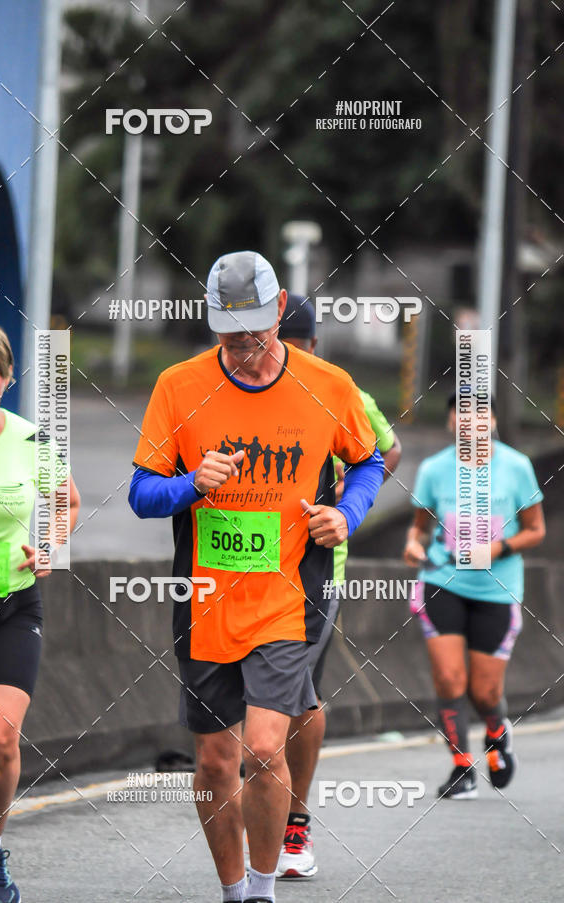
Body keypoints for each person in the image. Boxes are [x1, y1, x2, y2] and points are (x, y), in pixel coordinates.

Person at [129, 251, 385, 903]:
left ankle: (265, 890)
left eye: (254, 334)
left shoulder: (327, 384)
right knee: (216, 760)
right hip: (207, 600)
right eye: (228, 336)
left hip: (287, 596)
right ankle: (234, 890)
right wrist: (191, 484)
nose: (242, 348)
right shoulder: (178, 386)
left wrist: (345, 514)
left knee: (266, 749)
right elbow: (140, 491)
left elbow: (369, 461)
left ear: (278, 312)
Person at [275, 293, 402, 879]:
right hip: (239, 568)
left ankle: (295, 822)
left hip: (318, 564)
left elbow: (385, 450)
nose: (284, 358)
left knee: (299, 692)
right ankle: (259, 800)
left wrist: (347, 503)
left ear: (314, 347)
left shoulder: (338, 386)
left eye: (296, 348)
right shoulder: (228, 381)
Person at [0, 321, 80, 902]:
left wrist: (51, 545)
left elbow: (67, 504)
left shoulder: (32, 442)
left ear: (7, 381)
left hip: (8, 606)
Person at [403, 392, 545, 799]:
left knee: (484, 692)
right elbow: (419, 528)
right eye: (461, 417)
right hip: (442, 582)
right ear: (450, 423)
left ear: (493, 423)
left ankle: (497, 732)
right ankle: (461, 767)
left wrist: (496, 550)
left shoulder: (517, 467)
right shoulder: (433, 469)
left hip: (497, 591)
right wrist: (414, 545)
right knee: (449, 678)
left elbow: (536, 530)